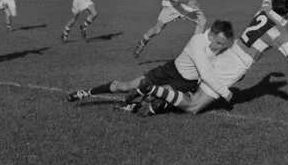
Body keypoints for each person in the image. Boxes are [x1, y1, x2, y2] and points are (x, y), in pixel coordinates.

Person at [139, 0, 288, 115]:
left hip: (226, 52)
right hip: (235, 65)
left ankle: (160, 99)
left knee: (198, 86)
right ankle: (155, 91)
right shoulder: (280, 34)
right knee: (193, 106)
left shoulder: (264, 10)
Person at [66, 19, 235, 114]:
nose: (220, 48)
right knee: (125, 86)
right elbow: (205, 73)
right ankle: (87, 92)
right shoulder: (198, 42)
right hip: (170, 71)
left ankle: (134, 105)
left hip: (186, 83)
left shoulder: (220, 45)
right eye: (219, 43)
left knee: (151, 97)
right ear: (211, 35)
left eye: (224, 45)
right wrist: (225, 93)